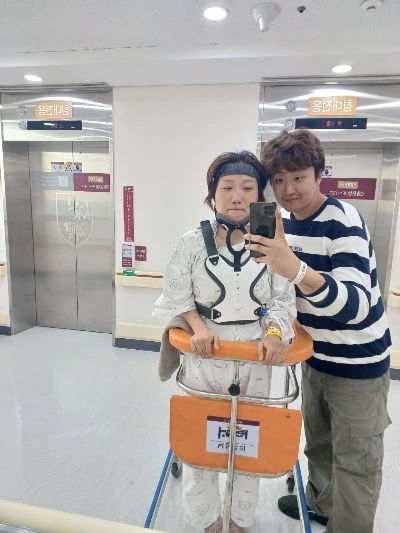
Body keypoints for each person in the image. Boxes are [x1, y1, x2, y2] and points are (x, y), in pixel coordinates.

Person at [245, 129, 392, 533]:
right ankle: (321, 504)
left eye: (298, 178)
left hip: (358, 363)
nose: (288, 189)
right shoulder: (285, 224)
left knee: (357, 461)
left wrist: (295, 269)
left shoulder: (343, 222)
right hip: (314, 357)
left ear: (319, 173)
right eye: (278, 180)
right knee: (319, 444)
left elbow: (356, 306)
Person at [153, 150, 296, 533]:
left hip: (256, 357)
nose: (237, 196)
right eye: (227, 187)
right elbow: (176, 294)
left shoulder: (273, 245)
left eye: (247, 188)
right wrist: (197, 327)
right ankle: (207, 519)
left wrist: (274, 333)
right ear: (212, 196)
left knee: (248, 440)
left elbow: (283, 297)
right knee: (202, 438)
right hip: (204, 354)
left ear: (260, 196)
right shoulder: (191, 244)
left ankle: (239, 518)